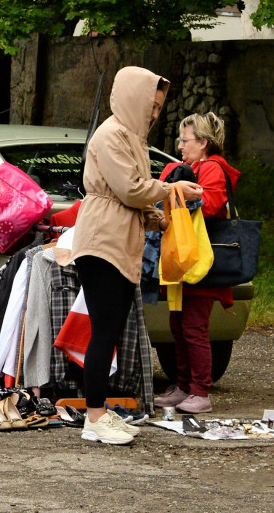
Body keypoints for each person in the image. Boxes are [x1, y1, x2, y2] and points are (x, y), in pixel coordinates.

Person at [68, 66, 203, 445]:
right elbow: (129, 189)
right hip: (102, 242)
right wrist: (174, 190)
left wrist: (159, 220)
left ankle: (100, 409)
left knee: (111, 332)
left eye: (159, 107)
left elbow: (134, 195)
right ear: (133, 99)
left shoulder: (133, 139)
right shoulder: (110, 135)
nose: (155, 113)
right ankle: (93, 417)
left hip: (119, 239)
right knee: (103, 332)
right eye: (151, 106)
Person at [153, 112, 240, 414]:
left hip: (203, 260)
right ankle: (183, 386)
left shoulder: (212, 167)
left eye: (185, 140)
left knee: (193, 327)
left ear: (203, 143)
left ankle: (200, 391)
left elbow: (212, 205)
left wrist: (178, 187)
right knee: (178, 325)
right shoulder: (190, 167)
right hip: (186, 259)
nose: (179, 145)